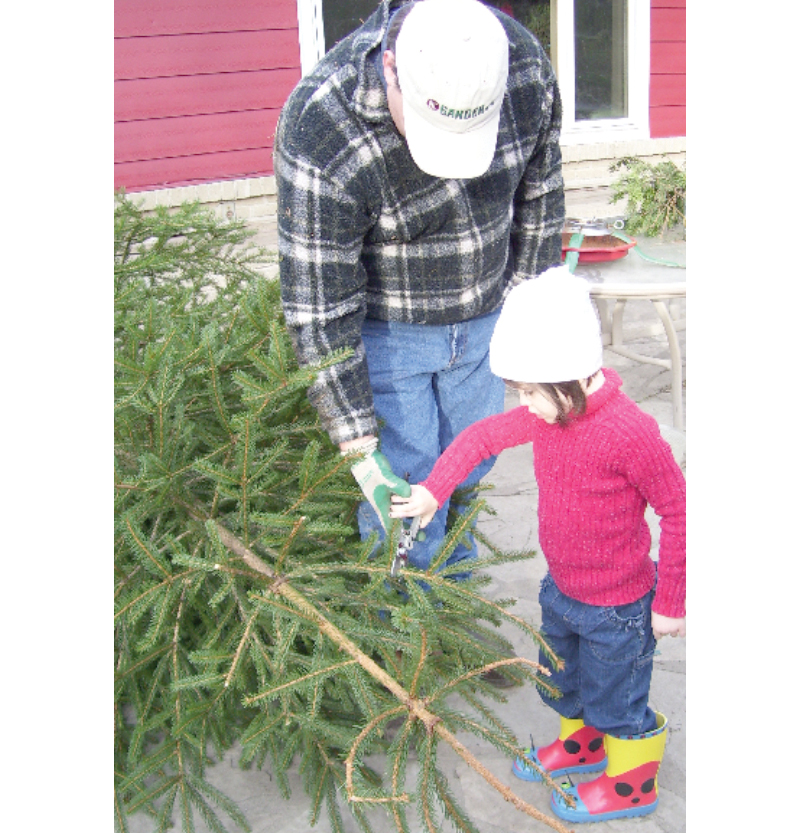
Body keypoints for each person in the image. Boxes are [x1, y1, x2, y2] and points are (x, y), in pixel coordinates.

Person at [275, 0, 565, 580]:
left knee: (466, 472)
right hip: (389, 331)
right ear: (390, 67)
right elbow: (317, 308)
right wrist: (358, 443)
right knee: (404, 484)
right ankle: (407, 644)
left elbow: (540, 195)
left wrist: (530, 326)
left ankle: (453, 630)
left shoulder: (522, 67)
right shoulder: (322, 127)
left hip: (487, 316)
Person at [389, 266, 686, 823]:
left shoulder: (631, 433)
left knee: (617, 696)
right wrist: (434, 490)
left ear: (571, 378)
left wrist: (670, 600)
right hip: (562, 590)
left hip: (619, 606)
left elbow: (679, 508)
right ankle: (582, 745)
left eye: (529, 390)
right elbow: (479, 437)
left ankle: (630, 781)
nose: (523, 403)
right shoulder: (548, 417)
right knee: (562, 677)